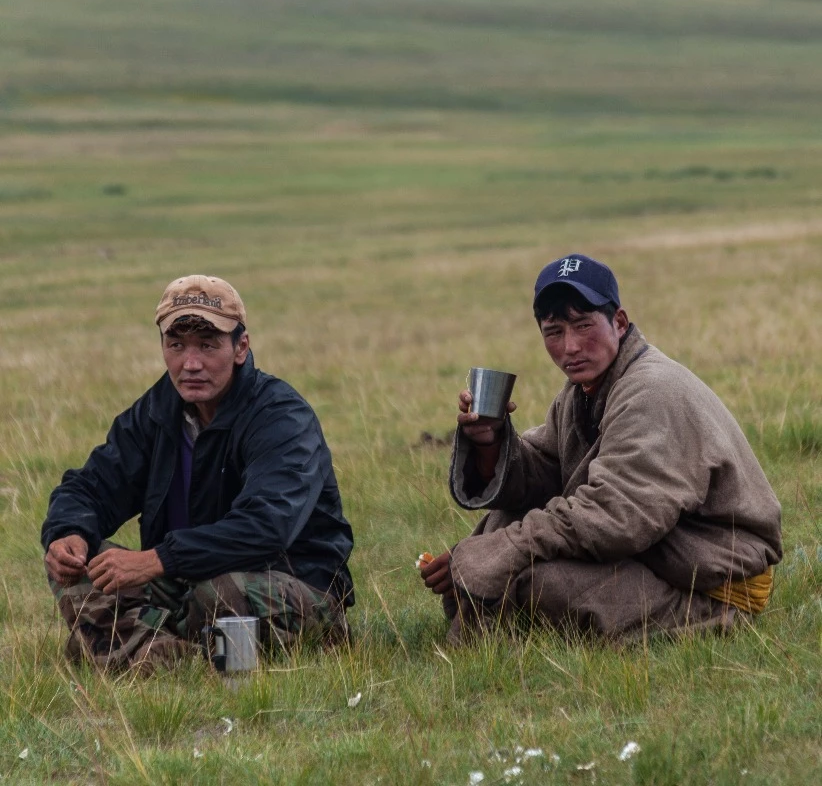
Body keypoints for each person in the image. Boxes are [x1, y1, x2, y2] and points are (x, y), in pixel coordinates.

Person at [420, 254, 782, 644]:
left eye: (583, 325)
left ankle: (485, 636)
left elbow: (616, 516)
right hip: (660, 554)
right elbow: (548, 470)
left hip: (709, 584)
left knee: (534, 578)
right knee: (504, 518)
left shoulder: (651, 392)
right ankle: (482, 626)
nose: (570, 346)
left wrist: (505, 550)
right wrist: (489, 440)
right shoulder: (584, 390)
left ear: (619, 323)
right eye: (553, 331)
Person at [42, 275, 354, 670]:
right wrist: (67, 533)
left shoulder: (281, 417)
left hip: (291, 582)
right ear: (163, 348)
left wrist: (158, 559)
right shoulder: (155, 412)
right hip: (185, 577)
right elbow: (91, 486)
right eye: (177, 346)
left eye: (208, 346)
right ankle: (173, 656)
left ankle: (136, 650)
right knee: (81, 565)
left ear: (240, 347)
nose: (191, 364)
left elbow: (266, 527)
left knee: (220, 593)